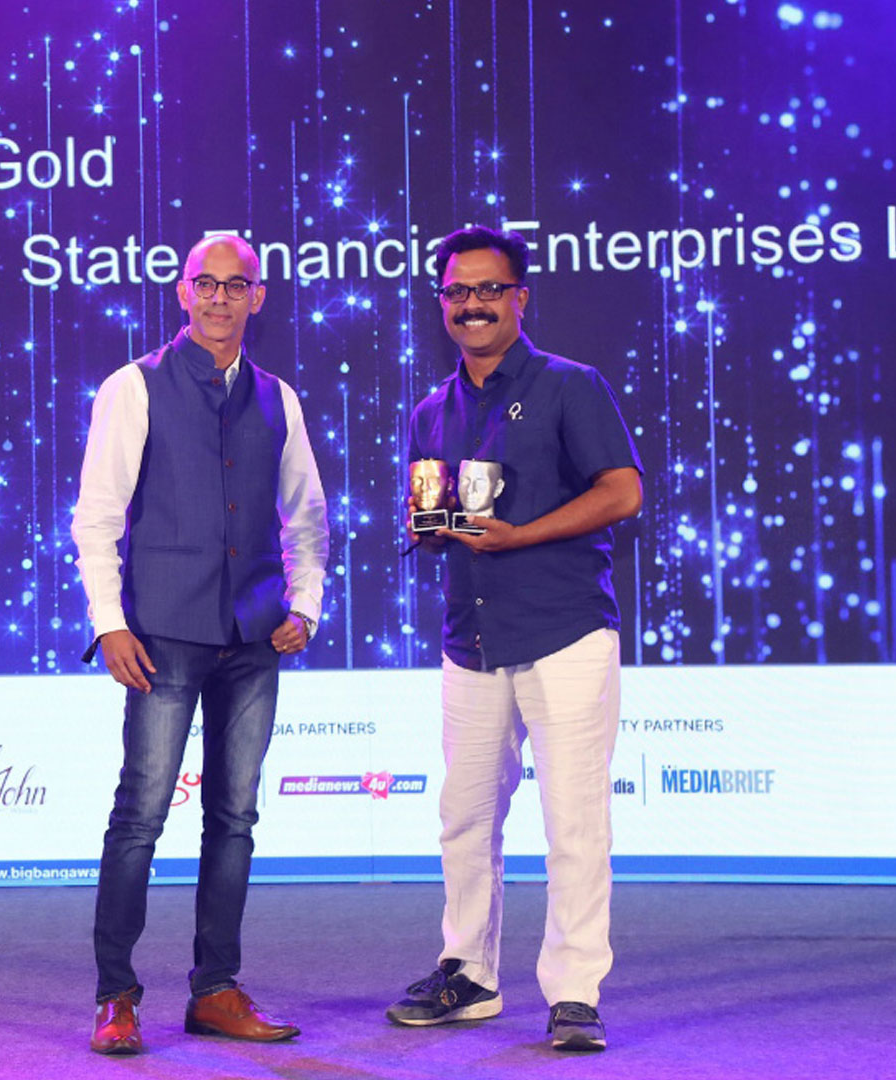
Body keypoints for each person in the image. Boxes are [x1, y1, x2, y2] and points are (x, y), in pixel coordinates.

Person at [72, 233, 330, 1055]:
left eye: (236, 284)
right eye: (205, 283)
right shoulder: (134, 386)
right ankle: (116, 997)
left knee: (234, 818)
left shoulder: (278, 398)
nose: (220, 297)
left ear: (258, 297)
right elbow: (97, 516)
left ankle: (215, 991)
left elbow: (308, 515)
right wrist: (109, 621)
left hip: (253, 638)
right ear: (183, 293)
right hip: (163, 637)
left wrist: (305, 605)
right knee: (140, 816)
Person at [390, 226, 643, 1052]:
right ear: (442, 303)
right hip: (471, 638)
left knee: (574, 826)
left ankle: (574, 994)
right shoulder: (431, 411)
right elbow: (436, 514)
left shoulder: (571, 385)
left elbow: (623, 492)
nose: (473, 305)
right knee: (464, 819)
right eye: (458, 292)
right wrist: (428, 528)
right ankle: (468, 974)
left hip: (564, 630)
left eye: (489, 290)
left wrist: (522, 535)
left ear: (520, 298)